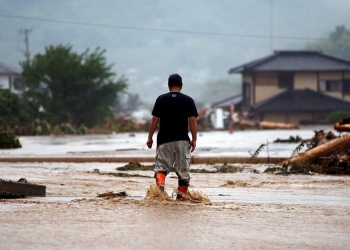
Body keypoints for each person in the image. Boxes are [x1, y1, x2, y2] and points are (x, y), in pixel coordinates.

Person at [146, 73, 198, 199]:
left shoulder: (161, 99)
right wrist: (194, 139)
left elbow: (154, 120)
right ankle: (181, 198)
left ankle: (160, 189)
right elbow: (192, 121)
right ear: (182, 85)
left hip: (164, 140)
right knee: (183, 171)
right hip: (182, 141)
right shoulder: (188, 100)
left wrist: (150, 137)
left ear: (169, 85)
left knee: (161, 168)